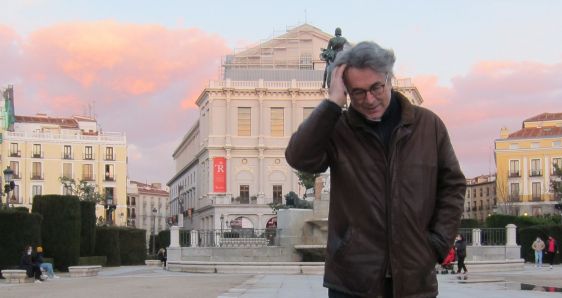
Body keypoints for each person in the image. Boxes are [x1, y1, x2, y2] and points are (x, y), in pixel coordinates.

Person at [285, 41, 466, 297]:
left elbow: (453, 186)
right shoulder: (339, 129)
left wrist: (437, 244)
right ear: (347, 91)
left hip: (415, 280)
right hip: (352, 280)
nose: (369, 99)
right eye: (357, 92)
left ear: (389, 79)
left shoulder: (428, 125)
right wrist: (332, 103)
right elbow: (299, 158)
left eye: (376, 88)